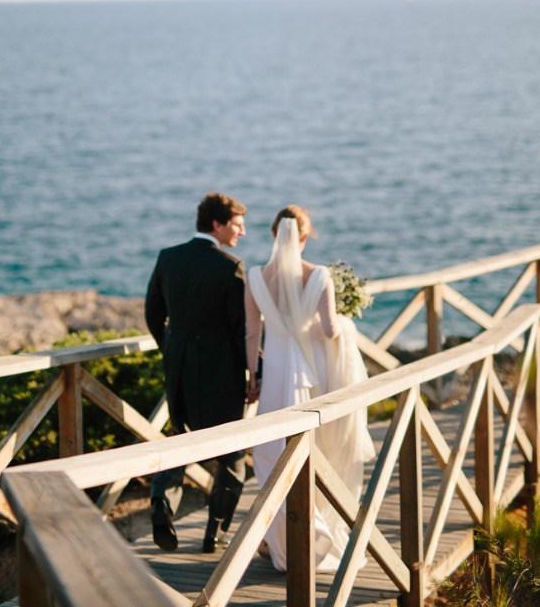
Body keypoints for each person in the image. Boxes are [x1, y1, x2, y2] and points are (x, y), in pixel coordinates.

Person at [245, 204, 375, 573]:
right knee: (319, 451)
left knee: (272, 455)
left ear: (274, 235)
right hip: (312, 374)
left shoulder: (255, 276)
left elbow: (253, 332)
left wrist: (252, 376)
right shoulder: (318, 275)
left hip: (275, 375)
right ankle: (317, 536)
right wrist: (347, 322)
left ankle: (283, 542)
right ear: (304, 236)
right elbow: (332, 329)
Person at [145, 192, 248, 554]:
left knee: (179, 441)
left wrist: (171, 349)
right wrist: (252, 375)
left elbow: (153, 314)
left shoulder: (168, 258)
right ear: (217, 225)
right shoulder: (230, 266)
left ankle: (161, 502)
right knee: (233, 457)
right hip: (223, 372)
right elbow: (241, 331)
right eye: (237, 224)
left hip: (179, 368)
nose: (242, 232)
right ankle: (214, 533)